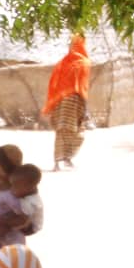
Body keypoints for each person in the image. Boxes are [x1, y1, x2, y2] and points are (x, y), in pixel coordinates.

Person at [42, 34, 91, 171]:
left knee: (61, 131)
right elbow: (82, 87)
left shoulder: (62, 63)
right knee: (77, 132)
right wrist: (85, 108)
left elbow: (53, 84)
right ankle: (66, 158)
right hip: (74, 102)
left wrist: (52, 103)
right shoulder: (84, 63)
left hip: (59, 102)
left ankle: (59, 161)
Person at [8, 163, 44, 234]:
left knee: (5, 222)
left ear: (28, 187)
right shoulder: (28, 193)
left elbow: (24, 221)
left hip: (31, 227)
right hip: (28, 220)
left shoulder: (31, 202)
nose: (11, 189)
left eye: (15, 186)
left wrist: (8, 228)